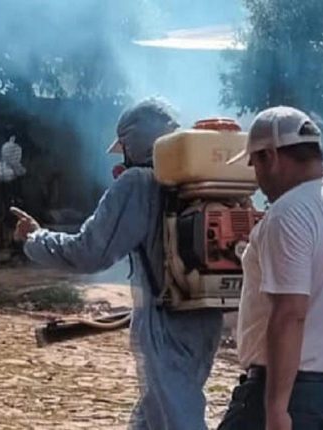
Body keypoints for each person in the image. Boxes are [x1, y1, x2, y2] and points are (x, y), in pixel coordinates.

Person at [11, 98, 223, 430]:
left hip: (165, 324)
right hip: (205, 317)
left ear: (130, 144)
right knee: (156, 413)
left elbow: (89, 252)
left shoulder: (137, 183)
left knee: (177, 418)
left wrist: (36, 239)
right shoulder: (200, 179)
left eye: (123, 147)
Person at [217, 106, 323, 430]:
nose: (258, 179)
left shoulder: (289, 213)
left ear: (271, 156)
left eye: (255, 164)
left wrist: (277, 409)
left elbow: (290, 312)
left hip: (290, 394)